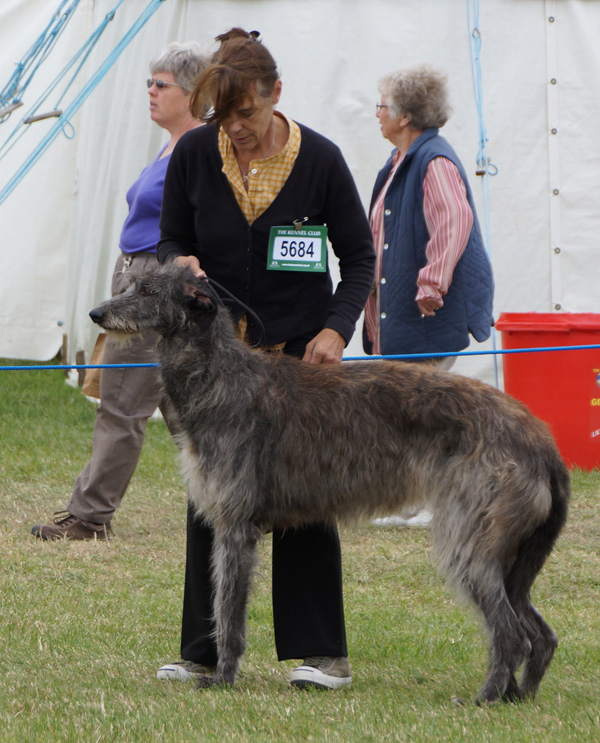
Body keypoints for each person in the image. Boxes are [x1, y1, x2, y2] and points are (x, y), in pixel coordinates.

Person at [154, 28, 375, 690]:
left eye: (245, 114)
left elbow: (359, 257)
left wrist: (337, 327)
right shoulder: (194, 153)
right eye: (223, 117)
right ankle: (202, 650)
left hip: (296, 370)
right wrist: (180, 262)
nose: (235, 130)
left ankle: (321, 652)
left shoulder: (323, 162)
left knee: (305, 498)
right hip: (216, 368)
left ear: (276, 95)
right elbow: (171, 236)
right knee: (212, 502)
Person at [31, 42, 209, 541]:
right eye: (149, 82)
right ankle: (235, 495)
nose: (150, 91)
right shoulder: (175, 144)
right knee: (183, 408)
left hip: (155, 283)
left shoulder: (197, 148)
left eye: (161, 83)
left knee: (123, 404)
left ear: (193, 92)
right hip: (140, 275)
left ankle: (89, 518)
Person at [365, 65, 494, 529]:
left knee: (419, 412)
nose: (376, 113)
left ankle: (423, 504)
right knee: (406, 410)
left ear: (405, 116)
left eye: (382, 105)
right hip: (401, 315)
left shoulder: (432, 159)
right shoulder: (402, 159)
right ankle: (412, 502)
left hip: (425, 311)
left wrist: (431, 282)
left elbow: (453, 221)